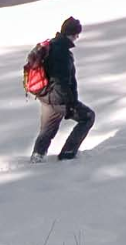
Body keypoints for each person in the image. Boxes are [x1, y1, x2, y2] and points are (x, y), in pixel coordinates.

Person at [31, 16, 95, 162]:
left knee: (47, 130)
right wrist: (70, 103)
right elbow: (60, 80)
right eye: (77, 34)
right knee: (88, 117)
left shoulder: (52, 45)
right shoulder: (62, 52)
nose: (77, 37)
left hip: (46, 97)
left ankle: (37, 156)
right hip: (58, 99)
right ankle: (67, 154)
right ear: (72, 34)